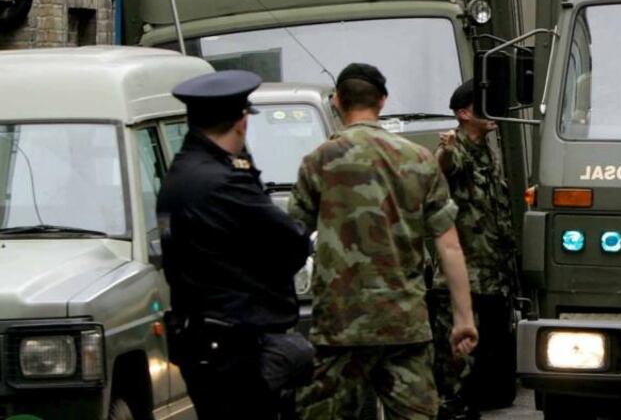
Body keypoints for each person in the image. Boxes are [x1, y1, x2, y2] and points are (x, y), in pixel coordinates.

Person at [290, 63, 478, 420]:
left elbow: (291, 240)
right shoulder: (420, 160)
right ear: (383, 101)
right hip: (403, 324)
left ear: (337, 102)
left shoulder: (318, 161)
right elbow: (449, 246)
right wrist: (463, 319)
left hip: (338, 327)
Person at [158, 70, 314, 419]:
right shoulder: (224, 182)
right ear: (242, 122)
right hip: (235, 348)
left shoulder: (184, 172)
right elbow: (291, 242)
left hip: (205, 341)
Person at [430, 81, 519, 420]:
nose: (494, 110)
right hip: (464, 277)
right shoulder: (459, 148)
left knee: (486, 364)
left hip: (493, 274)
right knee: (457, 367)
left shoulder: (488, 150)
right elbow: (443, 166)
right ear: (465, 113)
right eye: (484, 106)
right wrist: (446, 150)